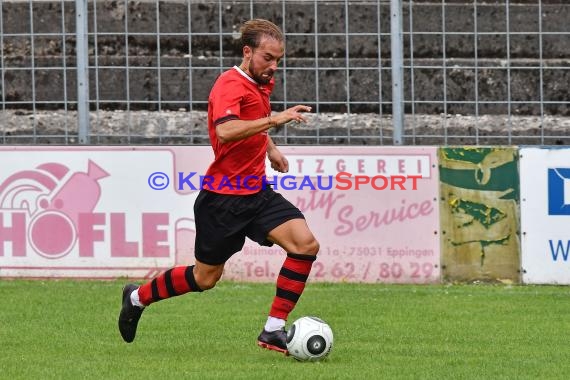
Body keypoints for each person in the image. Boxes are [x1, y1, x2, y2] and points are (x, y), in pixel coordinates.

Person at [118, 18, 319, 355]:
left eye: (278, 60)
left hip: (256, 192)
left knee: (305, 245)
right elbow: (226, 130)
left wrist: (271, 150)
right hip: (222, 200)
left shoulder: (261, 82)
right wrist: (276, 119)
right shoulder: (229, 84)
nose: (274, 66)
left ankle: (272, 330)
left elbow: (251, 124)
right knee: (204, 278)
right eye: (268, 58)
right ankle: (137, 297)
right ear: (247, 52)